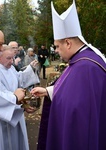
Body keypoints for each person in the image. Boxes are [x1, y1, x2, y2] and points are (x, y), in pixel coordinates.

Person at [30, 1, 106, 150]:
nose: (56, 51)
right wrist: (48, 91)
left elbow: (77, 107)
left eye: (57, 46)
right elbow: (70, 90)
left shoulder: (86, 67)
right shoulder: (79, 61)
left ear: (68, 43)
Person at [0, 44, 40, 150]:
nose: (12, 61)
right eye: (8, 58)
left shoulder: (10, 68)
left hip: (17, 113)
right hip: (6, 117)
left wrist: (30, 68)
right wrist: (21, 106)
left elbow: (19, 79)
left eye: (13, 58)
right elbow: (0, 96)